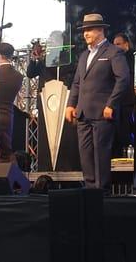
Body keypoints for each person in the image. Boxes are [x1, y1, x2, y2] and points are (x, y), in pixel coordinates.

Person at [65, 13, 130, 191]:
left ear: (101, 30)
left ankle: (102, 191)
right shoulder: (84, 55)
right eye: (84, 30)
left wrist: (111, 104)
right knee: (85, 153)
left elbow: (123, 79)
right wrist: (70, 104)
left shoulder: (113, 52)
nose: (85, 33)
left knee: (101, 153)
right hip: (83, 112)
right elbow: (77, 82)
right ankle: (89, 188)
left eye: (89, 30)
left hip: (102, 112)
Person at [26, 37, 79, 171]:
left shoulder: (68, 60)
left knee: (64, 138)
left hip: (63, 102)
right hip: (46, 103)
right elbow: (30, 73)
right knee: (44, 139)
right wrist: (35, 58)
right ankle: (46, 167)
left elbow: (66, 75)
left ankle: (64, 167)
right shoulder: (44, 60)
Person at [112, 32, 135, 157]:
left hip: (130, 103)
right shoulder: (113, 60)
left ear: (126, 44)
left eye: (118, 44)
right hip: (117, 103)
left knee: (129, 131)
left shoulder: (133, 59)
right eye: (114, 45)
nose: (116, 47)